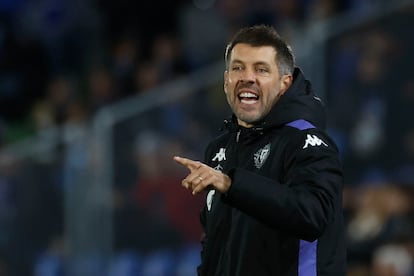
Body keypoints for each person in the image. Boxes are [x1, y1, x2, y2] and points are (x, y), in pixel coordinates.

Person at [173, 25, 346, 276]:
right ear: (226, 81)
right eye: (238, 68)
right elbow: (214, 244)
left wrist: (233, 184)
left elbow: (313, 215)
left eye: (261, 69)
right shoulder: (219, 149)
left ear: (284, 84)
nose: (247, 77)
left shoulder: (306, 141)